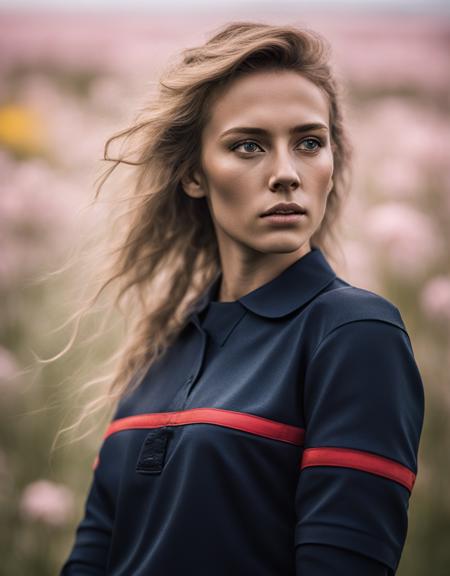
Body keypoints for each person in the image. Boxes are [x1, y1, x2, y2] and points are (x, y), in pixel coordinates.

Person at [59, 21, 424, 575]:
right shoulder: (160, 350)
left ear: (331, 160)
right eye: (248, 145)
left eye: (308, 143)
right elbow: (92, 557)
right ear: (194, 175)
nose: (286, 174)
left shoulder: (355, 333)